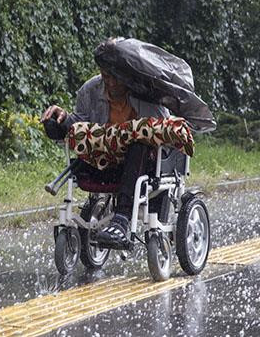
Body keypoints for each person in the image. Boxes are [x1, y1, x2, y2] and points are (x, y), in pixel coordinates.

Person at [40, 40, 169, 246]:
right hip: (104, 160)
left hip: (139, 166)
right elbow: (81, 124)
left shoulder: (147, 93)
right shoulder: (90, 90)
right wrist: (62, 120)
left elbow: (162, 130)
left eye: (116, 77)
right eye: (105, 75)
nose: (110, 82)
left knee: (140, 142)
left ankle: (122, 219)